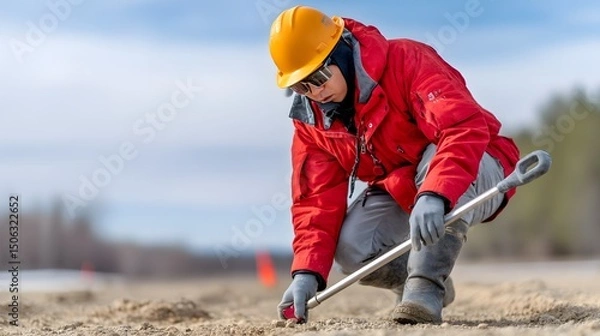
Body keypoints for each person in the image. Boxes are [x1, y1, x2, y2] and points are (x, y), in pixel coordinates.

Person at [268, 5, 520, 324]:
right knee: (351, 247)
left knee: (434, 161)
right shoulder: (311, 123)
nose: (316, 92)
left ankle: (424, 289)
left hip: (480, 162)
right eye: (302, 86)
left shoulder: (407, 60)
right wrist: (306, 272)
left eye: (319, 76)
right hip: (404, 188)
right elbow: (315, 200)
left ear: (342, 51)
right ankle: (416, 278)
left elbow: (461, 130)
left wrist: (434, 194)